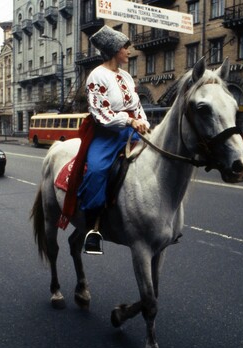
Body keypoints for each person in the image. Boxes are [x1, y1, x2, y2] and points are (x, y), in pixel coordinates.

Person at [65, 26, 150, 255]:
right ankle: (93, 228)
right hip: (106, 133)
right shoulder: (97, 76)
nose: (128, 52)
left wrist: (143, 123)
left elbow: (137, 106)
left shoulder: (126, 76)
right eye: (125, 47)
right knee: (96, 171)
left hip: (131, 131)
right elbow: (100, 114)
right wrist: (129, 122)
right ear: (114, 50)